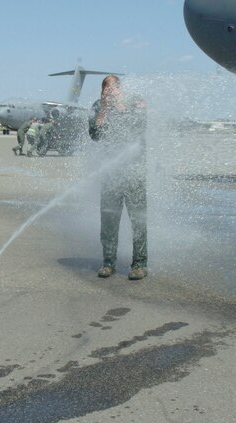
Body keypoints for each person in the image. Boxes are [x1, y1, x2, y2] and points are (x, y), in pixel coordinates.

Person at [88, 75, 148, 280]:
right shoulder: (98, 106)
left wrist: (120, 105)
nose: (110, 92)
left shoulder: (135, 101)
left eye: (113, 88)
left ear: (120, 89)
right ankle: (108, 263)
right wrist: (105, 109)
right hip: (110, 173)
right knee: (108, 221)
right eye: (106, 89)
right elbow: (95, 134)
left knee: (138, 220)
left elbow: (140, 127)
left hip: (134, 172)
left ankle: (139, 264)